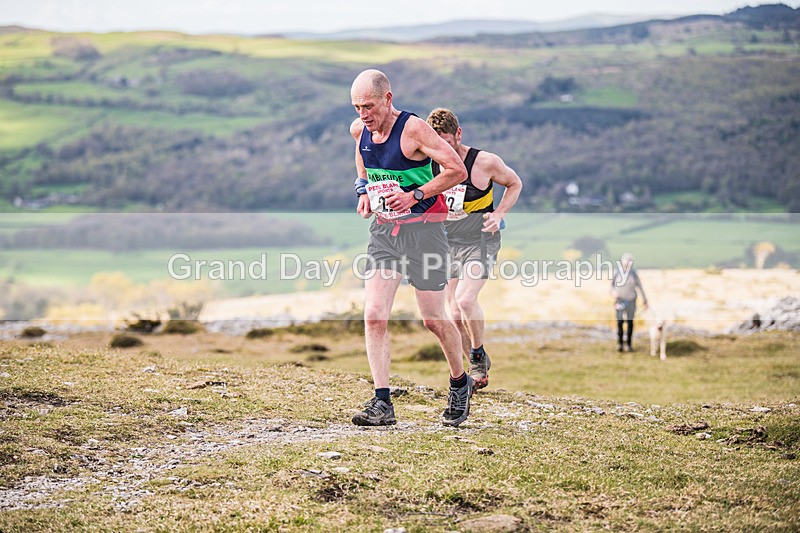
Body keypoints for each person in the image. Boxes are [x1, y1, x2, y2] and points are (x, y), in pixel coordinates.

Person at [349, 69, 474, 427]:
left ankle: (459, 382)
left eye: (369, 106)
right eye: (357, 107)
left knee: (433, 319)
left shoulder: (415, 130)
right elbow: (362, 160)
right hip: (385, 232)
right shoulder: (360, 130)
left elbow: (456, 171)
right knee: (374, 315)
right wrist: (363, 191)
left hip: (426, 232)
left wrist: (415, 195)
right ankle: (382, 403)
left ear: (388, 99)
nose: (363, 114)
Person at [426, 108, 523, 390]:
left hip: (480, 240)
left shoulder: (485, 162)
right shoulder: (430, 163)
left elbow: (515, 183)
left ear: (458, 134)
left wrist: (500, 214)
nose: (443, 149)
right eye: (437, 144)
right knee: (454, 311)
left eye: (447, 141)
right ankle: (472, 365)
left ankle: (479, 356)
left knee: (466, 299)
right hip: (446, 242)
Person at [611, 253, 648, 352]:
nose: (627, 264)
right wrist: (613, 292)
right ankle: (619, 344)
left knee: (630, 322)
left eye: (629, 262)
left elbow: (640, 287)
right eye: (625, 261)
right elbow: (612, 286)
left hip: (631, 301)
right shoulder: (617, 272)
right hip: (619, 301)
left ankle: (628, 344)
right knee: (619, 322)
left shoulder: (634, 274)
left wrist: (645, 300)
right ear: (622, 262)